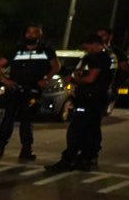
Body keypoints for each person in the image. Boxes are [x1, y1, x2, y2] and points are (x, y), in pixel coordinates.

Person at [46, 34, 114, 172]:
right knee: (91, 129)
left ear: (95, 44)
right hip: (95, 98)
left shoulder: (99, 58)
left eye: (87, 47)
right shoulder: (102, 57)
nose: (86, 50)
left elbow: (90, 79)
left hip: (91, 98)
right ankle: (85, 158)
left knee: (76, 130)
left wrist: (74, 80)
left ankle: (69, 159)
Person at [0, 24, 58, 161]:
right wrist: (5, 80)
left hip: (32, 90)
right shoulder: (16, 50)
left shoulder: (46, 50)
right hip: (15, 89)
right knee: (8, 120)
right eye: (29, 32)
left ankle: (26, 150)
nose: (31, 35)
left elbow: (56, 66)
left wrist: (46, 79)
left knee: (27, 121)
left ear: (40, 35)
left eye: (35, 33)